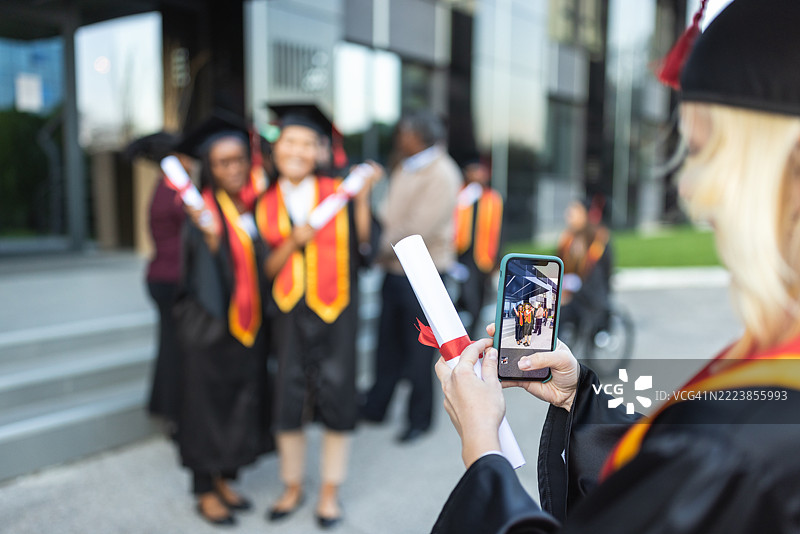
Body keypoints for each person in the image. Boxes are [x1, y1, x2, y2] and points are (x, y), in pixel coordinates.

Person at [430, 1, 800, 532]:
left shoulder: (737, 450)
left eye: (703, 153)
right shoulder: (771, 371)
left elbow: (697, 456)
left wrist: (482, 448)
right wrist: (579, 397)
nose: (690, 188)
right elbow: (674, 460)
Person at [257, 104, 381, 529]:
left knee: (338, 392)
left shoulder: (339, 193)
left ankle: (330, 489)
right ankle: (292, 484)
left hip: (336, 307)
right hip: (288, 311)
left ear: (320, 151)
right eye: (290, 142)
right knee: (287, 395)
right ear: (276, 148)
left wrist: (362, 201)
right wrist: (293, 242)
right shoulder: (263, 202)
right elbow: (263, 269)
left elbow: (365, 248)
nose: (297, 150)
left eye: (307, 143)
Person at [171, 115, 272, 527]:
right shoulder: (199, 212)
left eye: (238, 160)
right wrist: (210, 243)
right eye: (222, 163)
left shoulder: (248, 206)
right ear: (209, 168)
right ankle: (203, 488)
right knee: (204, 409)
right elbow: (188, 275)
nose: (233, 169)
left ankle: (223, 478)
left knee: (234, 405)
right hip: (208, 328)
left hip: (244, 329)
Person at [361, 110, 462, 443]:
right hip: (394, 270)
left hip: (426, 274)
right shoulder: (405, 166)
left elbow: (417, 229)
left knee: (420, 352)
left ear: (419, 136)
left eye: (403, 133)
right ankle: (376, 406)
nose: (398, 138)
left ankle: (419, 419)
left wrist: (374, 248)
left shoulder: (443, 173)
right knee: (386, 345)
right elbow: (387, 214)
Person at [125, 132, 187, 435]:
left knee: (171, 345)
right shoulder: (175, 192)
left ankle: (166, 407)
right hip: (171, 279)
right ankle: (173, 413)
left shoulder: (165, 188)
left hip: (162, 277)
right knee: (175, 348)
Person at [454, 158, 503, 337]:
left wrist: (497, 259)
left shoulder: (493, 199)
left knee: (478, 300)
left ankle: (471, 335)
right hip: (461, 256)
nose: (477, 175)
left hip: (483, 258)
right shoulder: (460, 196)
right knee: (466, 297)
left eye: (480, 171)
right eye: (473, 171)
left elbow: (500, 230)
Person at [556, 198, 613, 340]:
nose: (568, 215)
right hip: (573, 293)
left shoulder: (598, 240)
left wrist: (570, 294)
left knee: (559, 313)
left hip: (589, 298)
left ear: (586, 215)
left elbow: (598, 277)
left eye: (574, 211)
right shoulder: (567, 239)